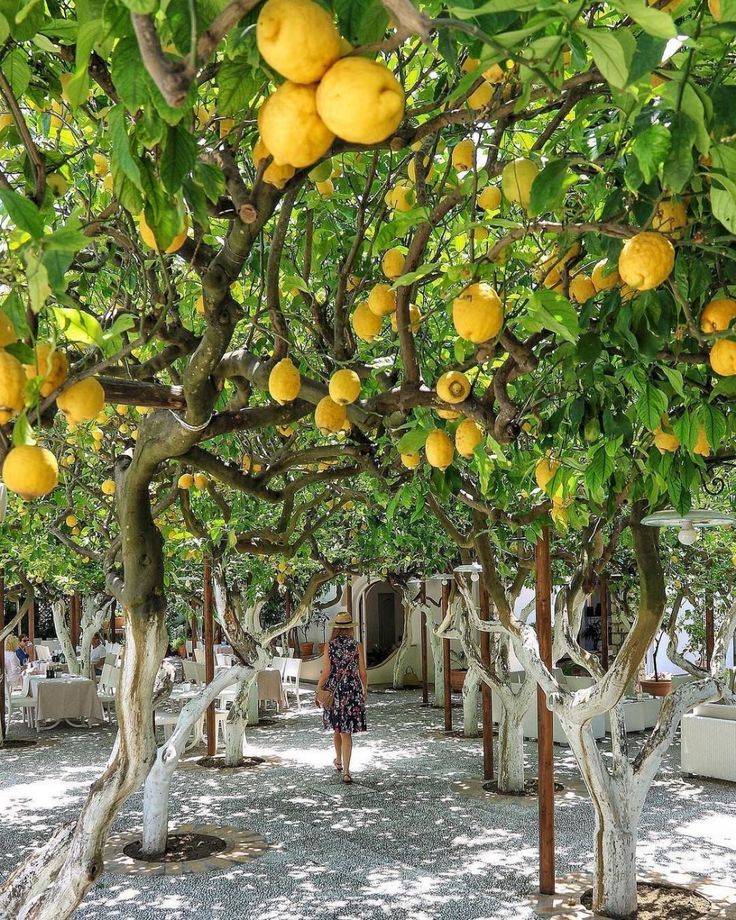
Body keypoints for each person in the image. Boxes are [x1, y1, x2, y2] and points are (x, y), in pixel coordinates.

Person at [315, 610, 367, 784]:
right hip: (352, 691)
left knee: (337, 727)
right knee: (347, 732)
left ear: (336, 628)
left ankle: (339, 761)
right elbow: (363, 673)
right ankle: (345, 770)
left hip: (335, 692)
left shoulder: (329, 645)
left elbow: (326, 672)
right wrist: (364, 691)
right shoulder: (357, 646)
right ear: (351, 628)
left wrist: (318, 688)